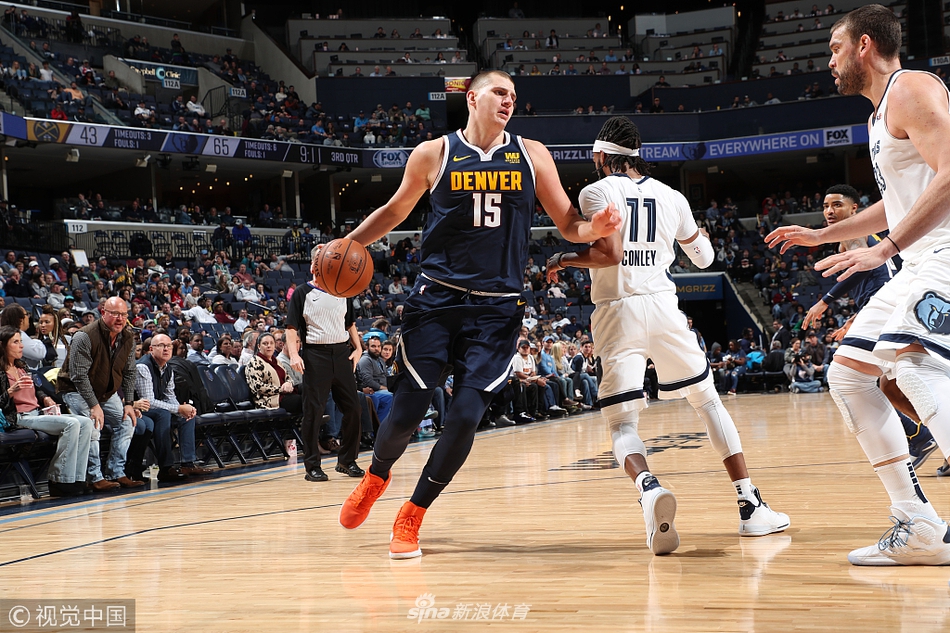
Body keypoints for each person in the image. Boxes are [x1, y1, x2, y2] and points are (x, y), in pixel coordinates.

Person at [337, 70, 621, 559]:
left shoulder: (532, 154)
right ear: (472, 98)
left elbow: (567, 223)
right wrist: (345, 244)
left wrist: (592, 228)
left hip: (496, 309)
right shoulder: (434, 153)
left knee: (466, 416)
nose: (509, 101)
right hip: (435, 300)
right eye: (499, 93)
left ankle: (413, 512)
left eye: (513, 95)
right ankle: (376, 475)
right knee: (406, 412)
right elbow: (394, 211)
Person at [546, 116, 789, 555]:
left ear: (601, 155)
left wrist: (562, 259)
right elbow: (704, 258)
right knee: (708, 402)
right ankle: (750, 506)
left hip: (617, 310)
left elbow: (605, 253)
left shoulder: (595, 191)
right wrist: (693, 237)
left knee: (622, 423)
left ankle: (648, 487)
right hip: (663, 305)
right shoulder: (673, 196)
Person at [766, 4, 950, 566]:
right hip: (917, 261)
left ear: (864, 45)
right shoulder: (877, 117)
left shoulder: (911, 88)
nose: (829, 60)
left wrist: (884, 249)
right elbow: (896, 204)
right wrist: (823, 235)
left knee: (914, 367)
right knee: (848, 374)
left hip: (943, 254)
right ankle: (918, 526)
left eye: (834, 48)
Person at [284, 246, 365, 483]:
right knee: (313, 412)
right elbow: (291, 327)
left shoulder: (344, 291)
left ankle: (347, 461)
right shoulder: (302, 292)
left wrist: (358, 348)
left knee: (354, 408)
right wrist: (294, 354)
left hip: (342, 354)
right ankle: (312, 466)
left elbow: (349, 323)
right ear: (314, 265)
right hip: (315, 355)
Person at [57, 297, 143, 491]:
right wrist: (94, 405)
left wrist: (129, 403)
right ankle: (95, 477)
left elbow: (130, 372)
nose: (120, 319)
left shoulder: (128, 337)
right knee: (93, 425)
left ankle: (116, 472)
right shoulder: (84, 336)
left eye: (124, 315)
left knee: (127, 422)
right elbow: (78, 376)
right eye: (115, 314)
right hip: (76, 390)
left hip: (106, 392)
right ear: (103, 313)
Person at [1, 326, 94, 497]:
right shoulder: (1, 372)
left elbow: (37, 388)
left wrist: (45, 398)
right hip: (19, 417)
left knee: (86, 422)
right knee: (71, 424)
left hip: (36, 413)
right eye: (15, 342)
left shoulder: (22, 367)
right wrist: (10, 392)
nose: (21, 345)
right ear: (2, 345)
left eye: (21, 341)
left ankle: (77, 478)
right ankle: (59, 479)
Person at [130, 333, 212, 483]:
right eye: (161, 346)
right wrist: (178, 409)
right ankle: (165, 467)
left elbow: (170, 396)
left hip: (158, 409)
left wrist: (183, 409)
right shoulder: (143, 367)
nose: (166, 349)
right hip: (139, 410)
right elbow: (149, 402)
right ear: (151, 349)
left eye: (169, 346)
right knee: (164, 414)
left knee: (186, 416)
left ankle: (187, 464)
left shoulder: (168, 368)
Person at [244, 332, 302, 416]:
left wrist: (289, 383)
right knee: (304, 400)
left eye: (271, 343)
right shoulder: (254, 362)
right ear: (259, 346)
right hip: (271, 399)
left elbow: (288, 377)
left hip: (286, 395)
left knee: (309, 391)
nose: (269, 346)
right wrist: (281, 389)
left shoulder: (276, 361)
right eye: (265, 343)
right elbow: (257, 387)